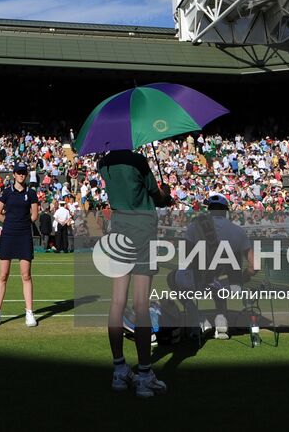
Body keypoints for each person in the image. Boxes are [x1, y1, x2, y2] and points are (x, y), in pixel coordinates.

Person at [98, 147, 173, 397]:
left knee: (117, 301)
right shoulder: (138, 160)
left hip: (118, 227)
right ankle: (144, 374)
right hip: (142, 226)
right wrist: (166, 195)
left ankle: (119, 370)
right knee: (141, 303)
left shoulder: (104, 162)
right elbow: (155, 194)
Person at [166, 194, 254, 339]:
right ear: (226, 210)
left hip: (199, 282)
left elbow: (187, 257)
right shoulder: (239, 231)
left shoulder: (195, 226)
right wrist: (243, 277)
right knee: (219, 284)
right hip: (230, 286)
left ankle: (199, 319)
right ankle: (221, 323)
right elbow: (254, 267)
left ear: (209, 210)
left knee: (171, 278)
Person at [0, 162, 39, 328]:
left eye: (23, 173)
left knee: (26, 275)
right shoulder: (7, 192)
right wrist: (9, 223)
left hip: (24, 235)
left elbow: (34, 215)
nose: (21, 175)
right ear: (14, 174)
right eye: (18, 172)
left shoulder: (31, 193)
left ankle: (29, 313)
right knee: (3, 275)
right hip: (8, 235)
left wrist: (22, 223)